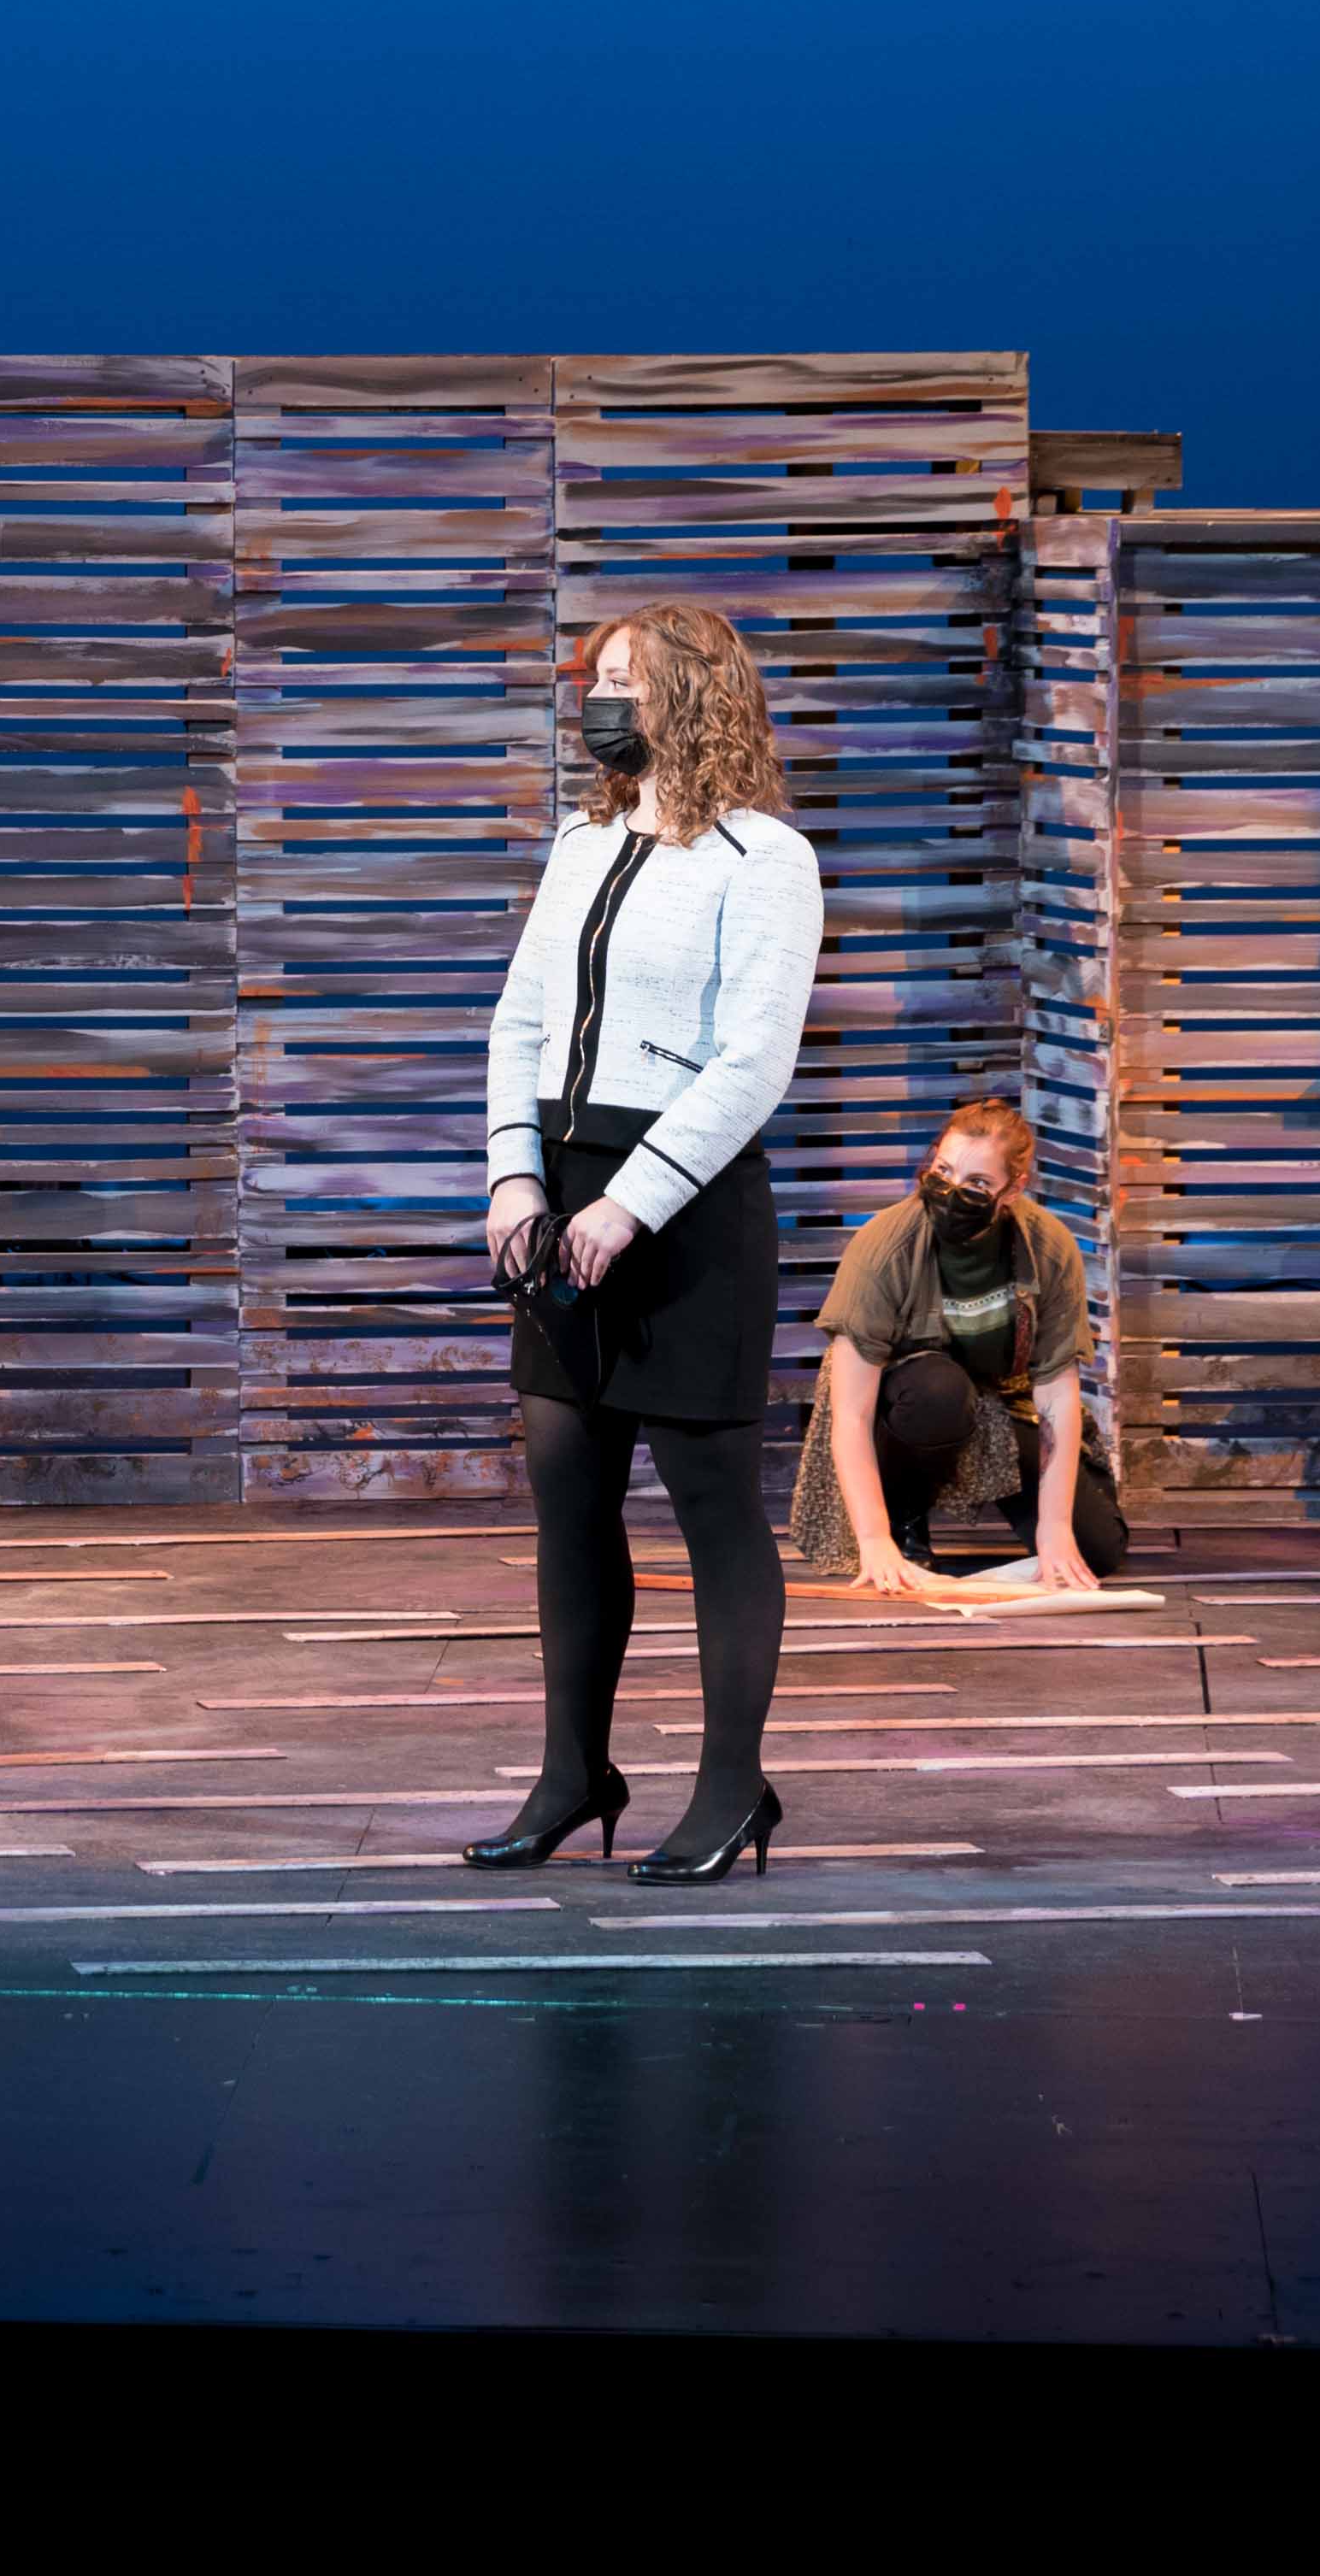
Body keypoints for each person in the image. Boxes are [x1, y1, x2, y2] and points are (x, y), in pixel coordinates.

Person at [463, 600, 824, 1885]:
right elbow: (518, 1022)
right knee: (570, 1502)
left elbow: (755, 1060)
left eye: (626, 677)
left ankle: (734, 1790)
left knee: (716, 1510)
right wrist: (517, 1182)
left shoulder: (764, 856)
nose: (602, 697)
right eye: (595, 677)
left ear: (692, 691)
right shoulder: (582, 838)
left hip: (683, 1204)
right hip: (559, 1193)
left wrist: (635, 1199)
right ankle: (576, 1772)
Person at [794, 1094, 1126, 1596]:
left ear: (1013, 1189)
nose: (951, 1193)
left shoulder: (1047, 1247)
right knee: (938, 1391)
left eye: (976, 1184)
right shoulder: (886, 1246)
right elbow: (850, 1413)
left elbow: (1057, 1395)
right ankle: (904, 1520)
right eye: (943, 1171)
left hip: (1001, 1399)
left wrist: (1055, 1526)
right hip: (906, 1406)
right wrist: (873, 1536)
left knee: (1097, 1551)